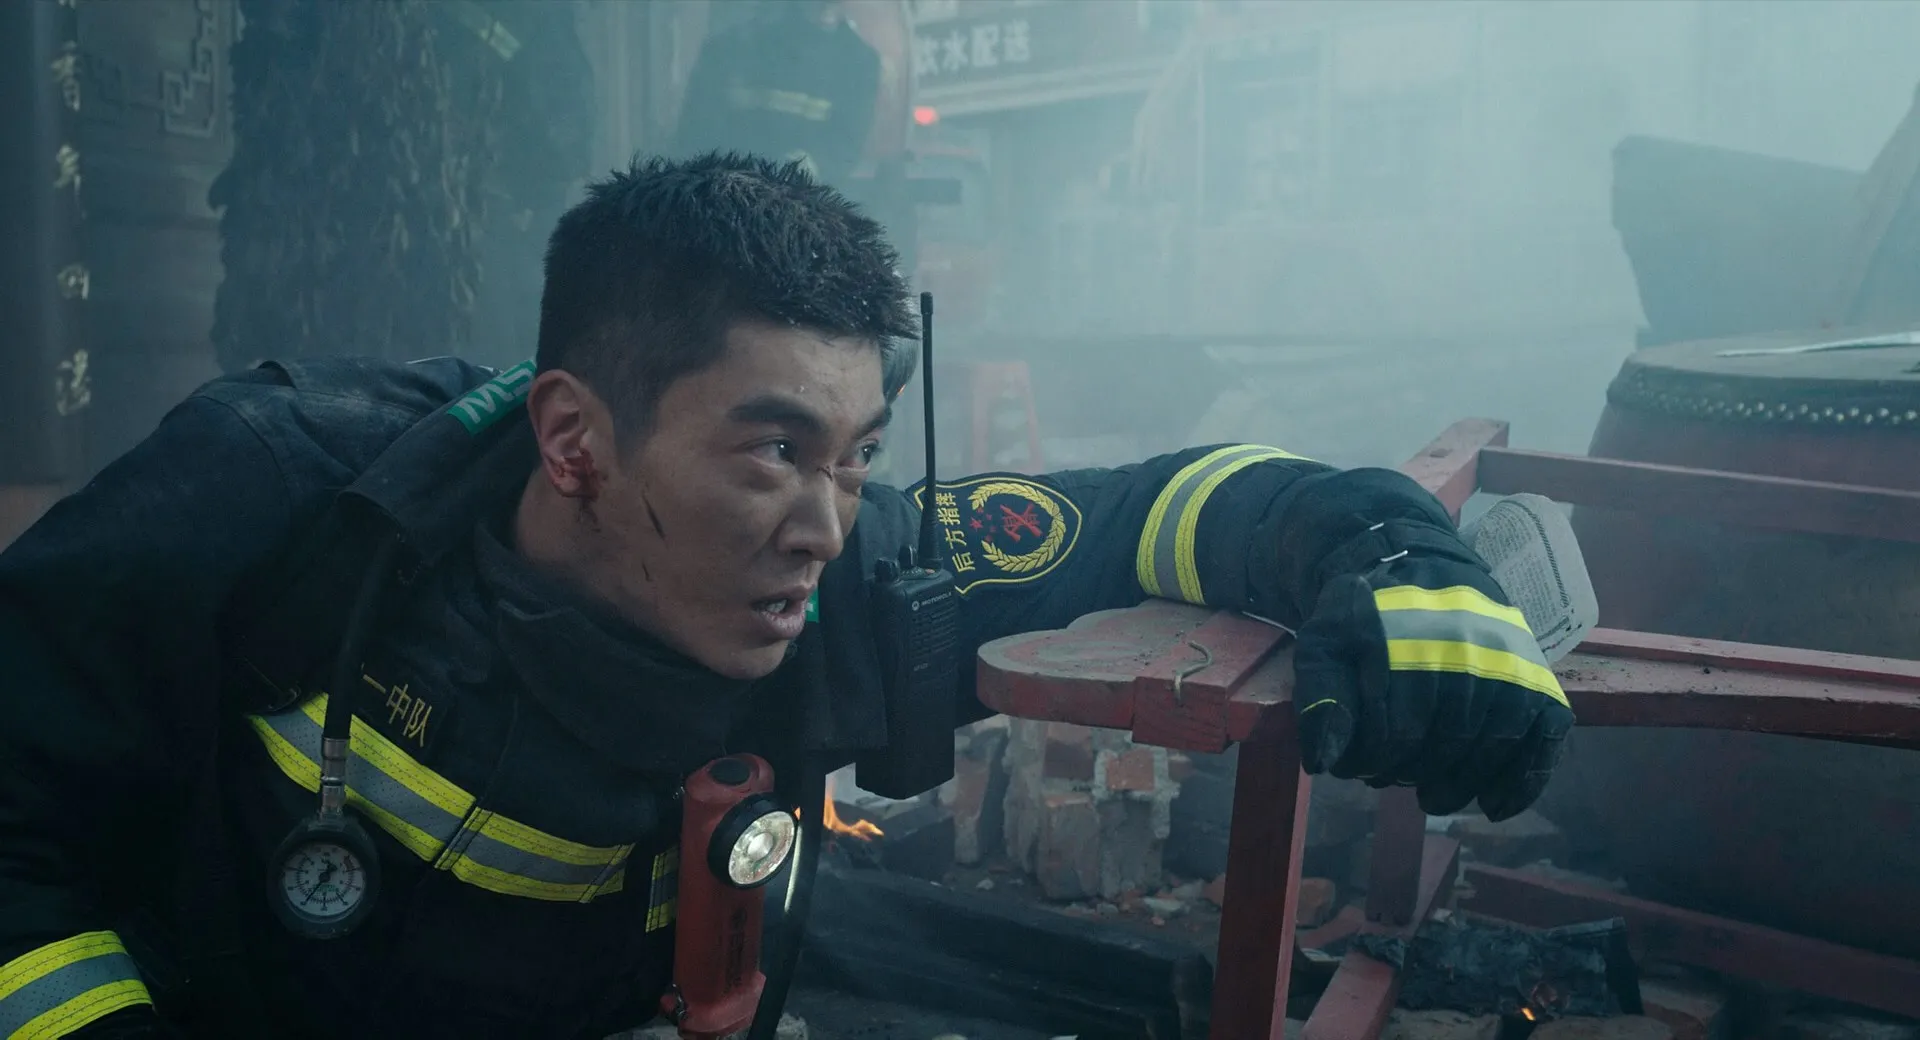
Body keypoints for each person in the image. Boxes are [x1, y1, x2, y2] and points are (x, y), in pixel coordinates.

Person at [0, 153, 1573, 1039]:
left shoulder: (858, 575)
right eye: (771, 452)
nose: (826, 526)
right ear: (574, 439)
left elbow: (1171, 507)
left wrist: (1399, 566)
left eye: (858, 454)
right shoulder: (276, 497)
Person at [671, 0, 881, 187]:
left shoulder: (859, 62)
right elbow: (692, 135)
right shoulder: (732, 48)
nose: (825, 5)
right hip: (724, 190)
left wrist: (813, 164)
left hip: (800, 199)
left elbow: (847, 143)